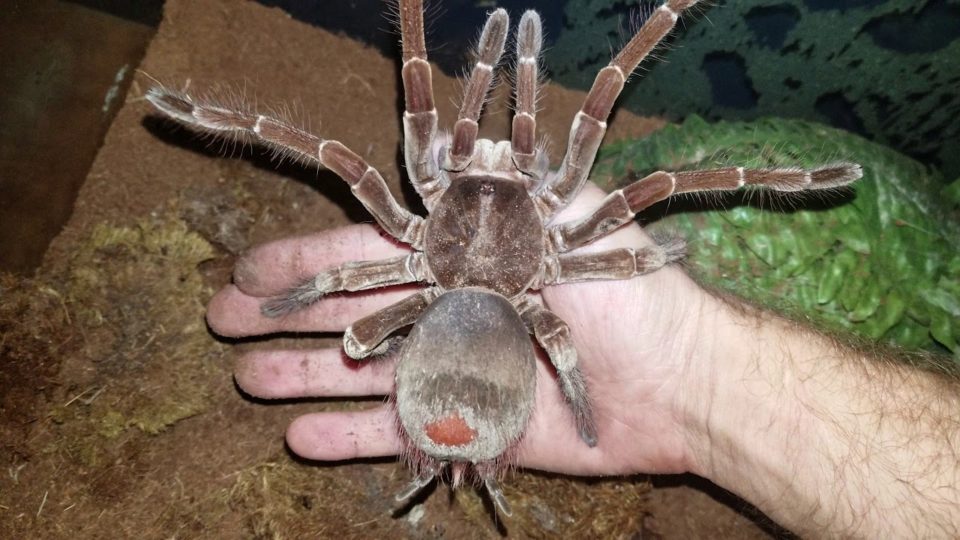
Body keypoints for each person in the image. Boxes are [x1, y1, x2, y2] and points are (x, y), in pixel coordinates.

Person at [206, 183, 960, 537]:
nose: (500, 161)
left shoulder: (423, 248)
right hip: (488, 346)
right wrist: (605, 393)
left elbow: (349, 300)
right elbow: (635, 247)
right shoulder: (551, 286)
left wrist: (300, 302)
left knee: (348, 318)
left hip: (439, 323)